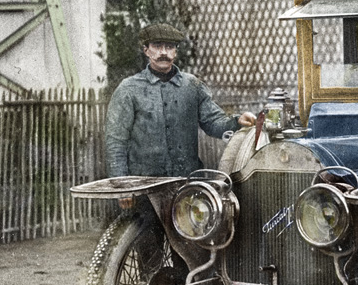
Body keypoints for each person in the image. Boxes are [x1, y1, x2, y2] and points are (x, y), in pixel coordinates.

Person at [106, 23, 256, 206]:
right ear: (146, 50)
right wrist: (122, 185)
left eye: (169, 47)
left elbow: (213, 121)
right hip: (144, 189)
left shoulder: (191, 86)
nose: (164, 52)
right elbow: (116, 141)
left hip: (187, 183)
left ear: (175, 52)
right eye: (157, 46)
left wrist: (237, 121)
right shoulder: (128, 90)